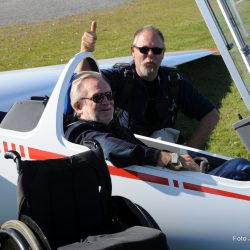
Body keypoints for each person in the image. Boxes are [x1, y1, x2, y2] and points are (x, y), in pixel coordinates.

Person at [65, 71, 250, 181]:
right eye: (98, 97)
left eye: (109, 95)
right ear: (79, 107)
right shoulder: (82, 132)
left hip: (171, 180)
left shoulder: (111, 126)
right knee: (240, 168)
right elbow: (108, 147)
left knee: (237, 165)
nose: (107, 101)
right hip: (167, 191)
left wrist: (182, 162)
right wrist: (168, 158)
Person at [76, 21, 220, 149]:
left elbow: (211, 115)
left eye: (157, 50)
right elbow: (83, 83)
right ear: (133, 51)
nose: (150, 55)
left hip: (163, 151)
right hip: (125, 150)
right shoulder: (121, 76)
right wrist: (84, 51)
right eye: (144, 50)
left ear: (163, 54)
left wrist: (188, 152)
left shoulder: (174, 81)